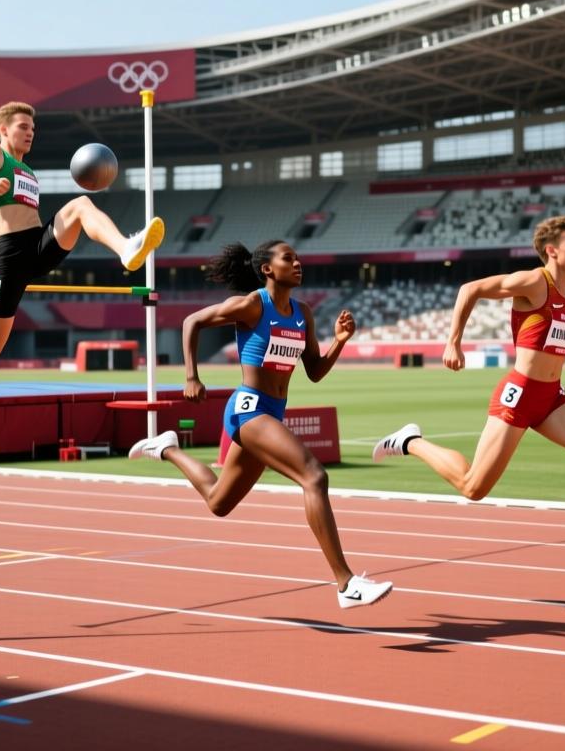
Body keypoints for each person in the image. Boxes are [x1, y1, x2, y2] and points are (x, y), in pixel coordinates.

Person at [373, 216, 565, 580]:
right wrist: (452, 341)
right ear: (552, 251)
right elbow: (468, 289)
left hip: (551, 397)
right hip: (519, 395)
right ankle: (410, 441)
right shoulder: (535, 282)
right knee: (474, 487)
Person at [128, 240, 393, 609]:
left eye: (298, 258)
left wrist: (340, 342)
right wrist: (192, 376)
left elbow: (314, 372)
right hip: (249, 410)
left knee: (219, 502)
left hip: (272, 412)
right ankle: (346, 583)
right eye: (289, 258)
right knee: (314, 476)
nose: (298, 263)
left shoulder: (303, 313)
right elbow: (193, 322)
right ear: (268, 269)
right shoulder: (253, 305)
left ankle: (167, 447)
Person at [0, 101, 164, 400]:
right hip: (10, 255)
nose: (30, 133)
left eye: (33, 128)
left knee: (80, 205)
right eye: (23, 127)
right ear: (4, 129)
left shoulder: (27, 170)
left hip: (38, 245)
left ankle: (126, 247)